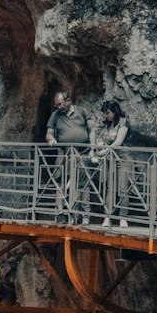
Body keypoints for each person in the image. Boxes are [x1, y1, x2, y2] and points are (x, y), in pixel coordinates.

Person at [45, 91, 92, 222]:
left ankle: (73, 213)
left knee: (78, 183)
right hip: (63, 153)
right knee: (60, 181)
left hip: (81, 153)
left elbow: (91, 130)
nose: (59, 107)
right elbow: (49, 133)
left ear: (68, 101)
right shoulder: (55, 115)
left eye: (60, 104)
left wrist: (93, 149)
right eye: (56, 105)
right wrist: (51, 139)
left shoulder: (82, 111)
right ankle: (60, 213)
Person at [89, 100, 129, 227]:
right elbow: (97, 136)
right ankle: (108, 216)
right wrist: (98, 149)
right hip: (109, 158)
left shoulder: (123, 122)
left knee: (123, 188)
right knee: (109, 188)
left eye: (108, 113)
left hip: (122, 157)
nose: (106, 115)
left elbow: (118, 142)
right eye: (105, 113)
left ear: (114, 111)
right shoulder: (106, 124)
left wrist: (103, 152)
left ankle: (123, 218)